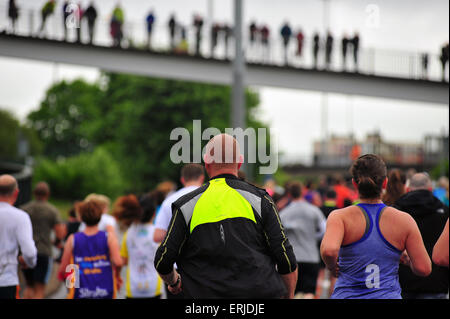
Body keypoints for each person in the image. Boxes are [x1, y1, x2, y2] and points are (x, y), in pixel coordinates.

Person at [154, 134, 298, 298]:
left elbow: (162, 261)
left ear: (207, 164)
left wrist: (174, 281)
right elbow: (286, 259)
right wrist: (289, 295)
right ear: (240, 162)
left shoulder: (186, 206)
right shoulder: (261, 200)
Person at [320, 154, 432, 299]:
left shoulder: (339, 217)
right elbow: (424, 268)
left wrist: (331, 266)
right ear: (385, 183)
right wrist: (407, 259)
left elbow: (329, 251)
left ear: (354, 184)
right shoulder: (404, 220)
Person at [153, 163, 205, 299]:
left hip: (176, 270)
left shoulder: (169, 200)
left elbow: (157, 236)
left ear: (182, 179)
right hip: (205, 267)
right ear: (202, 177)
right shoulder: (210, 198)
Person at [393, 173, 449, 299]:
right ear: (430, 189)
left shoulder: (395, 212)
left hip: (402, 283)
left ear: (407, 189)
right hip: (436, 283)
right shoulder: (444, 211)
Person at [58, 200, 122, 299]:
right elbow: (117, 262)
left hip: (81, 292)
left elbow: (64, 269)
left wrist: (71, 287)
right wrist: (117, 277)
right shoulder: (109, 237)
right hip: (105, 290)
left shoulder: (73, 239)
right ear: (100, 216)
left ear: (81, 217)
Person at [280, 181, 326, 299]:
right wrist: (312, 237)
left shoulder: (284, 213)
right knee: (309, 291)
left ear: (289, 194)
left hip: (292, 258)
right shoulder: (314, 210)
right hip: (311, 256)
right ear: (302, 192)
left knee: (293, 293)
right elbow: (323, 229)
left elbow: (279, 234)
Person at [20, 182, 66, 299]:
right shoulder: (52, 210)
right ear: (48, 194)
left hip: (25, 252)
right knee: (40, 288)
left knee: (28, 286)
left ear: (34, 193)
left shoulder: (24, 209)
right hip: (43, 251)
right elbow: (60, 231)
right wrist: (56, 242)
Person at [115, 194, 163, 299]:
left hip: (133, 289)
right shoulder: (157, 234)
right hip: (153, 287)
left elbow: (123, 260)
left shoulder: (129, 233)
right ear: (154, 213)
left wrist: (117, 276)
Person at [0, 175, 37, 299]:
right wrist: (29, 263)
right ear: (16, 193)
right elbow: (29, 252)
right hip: (6, 279)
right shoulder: (20, 217)